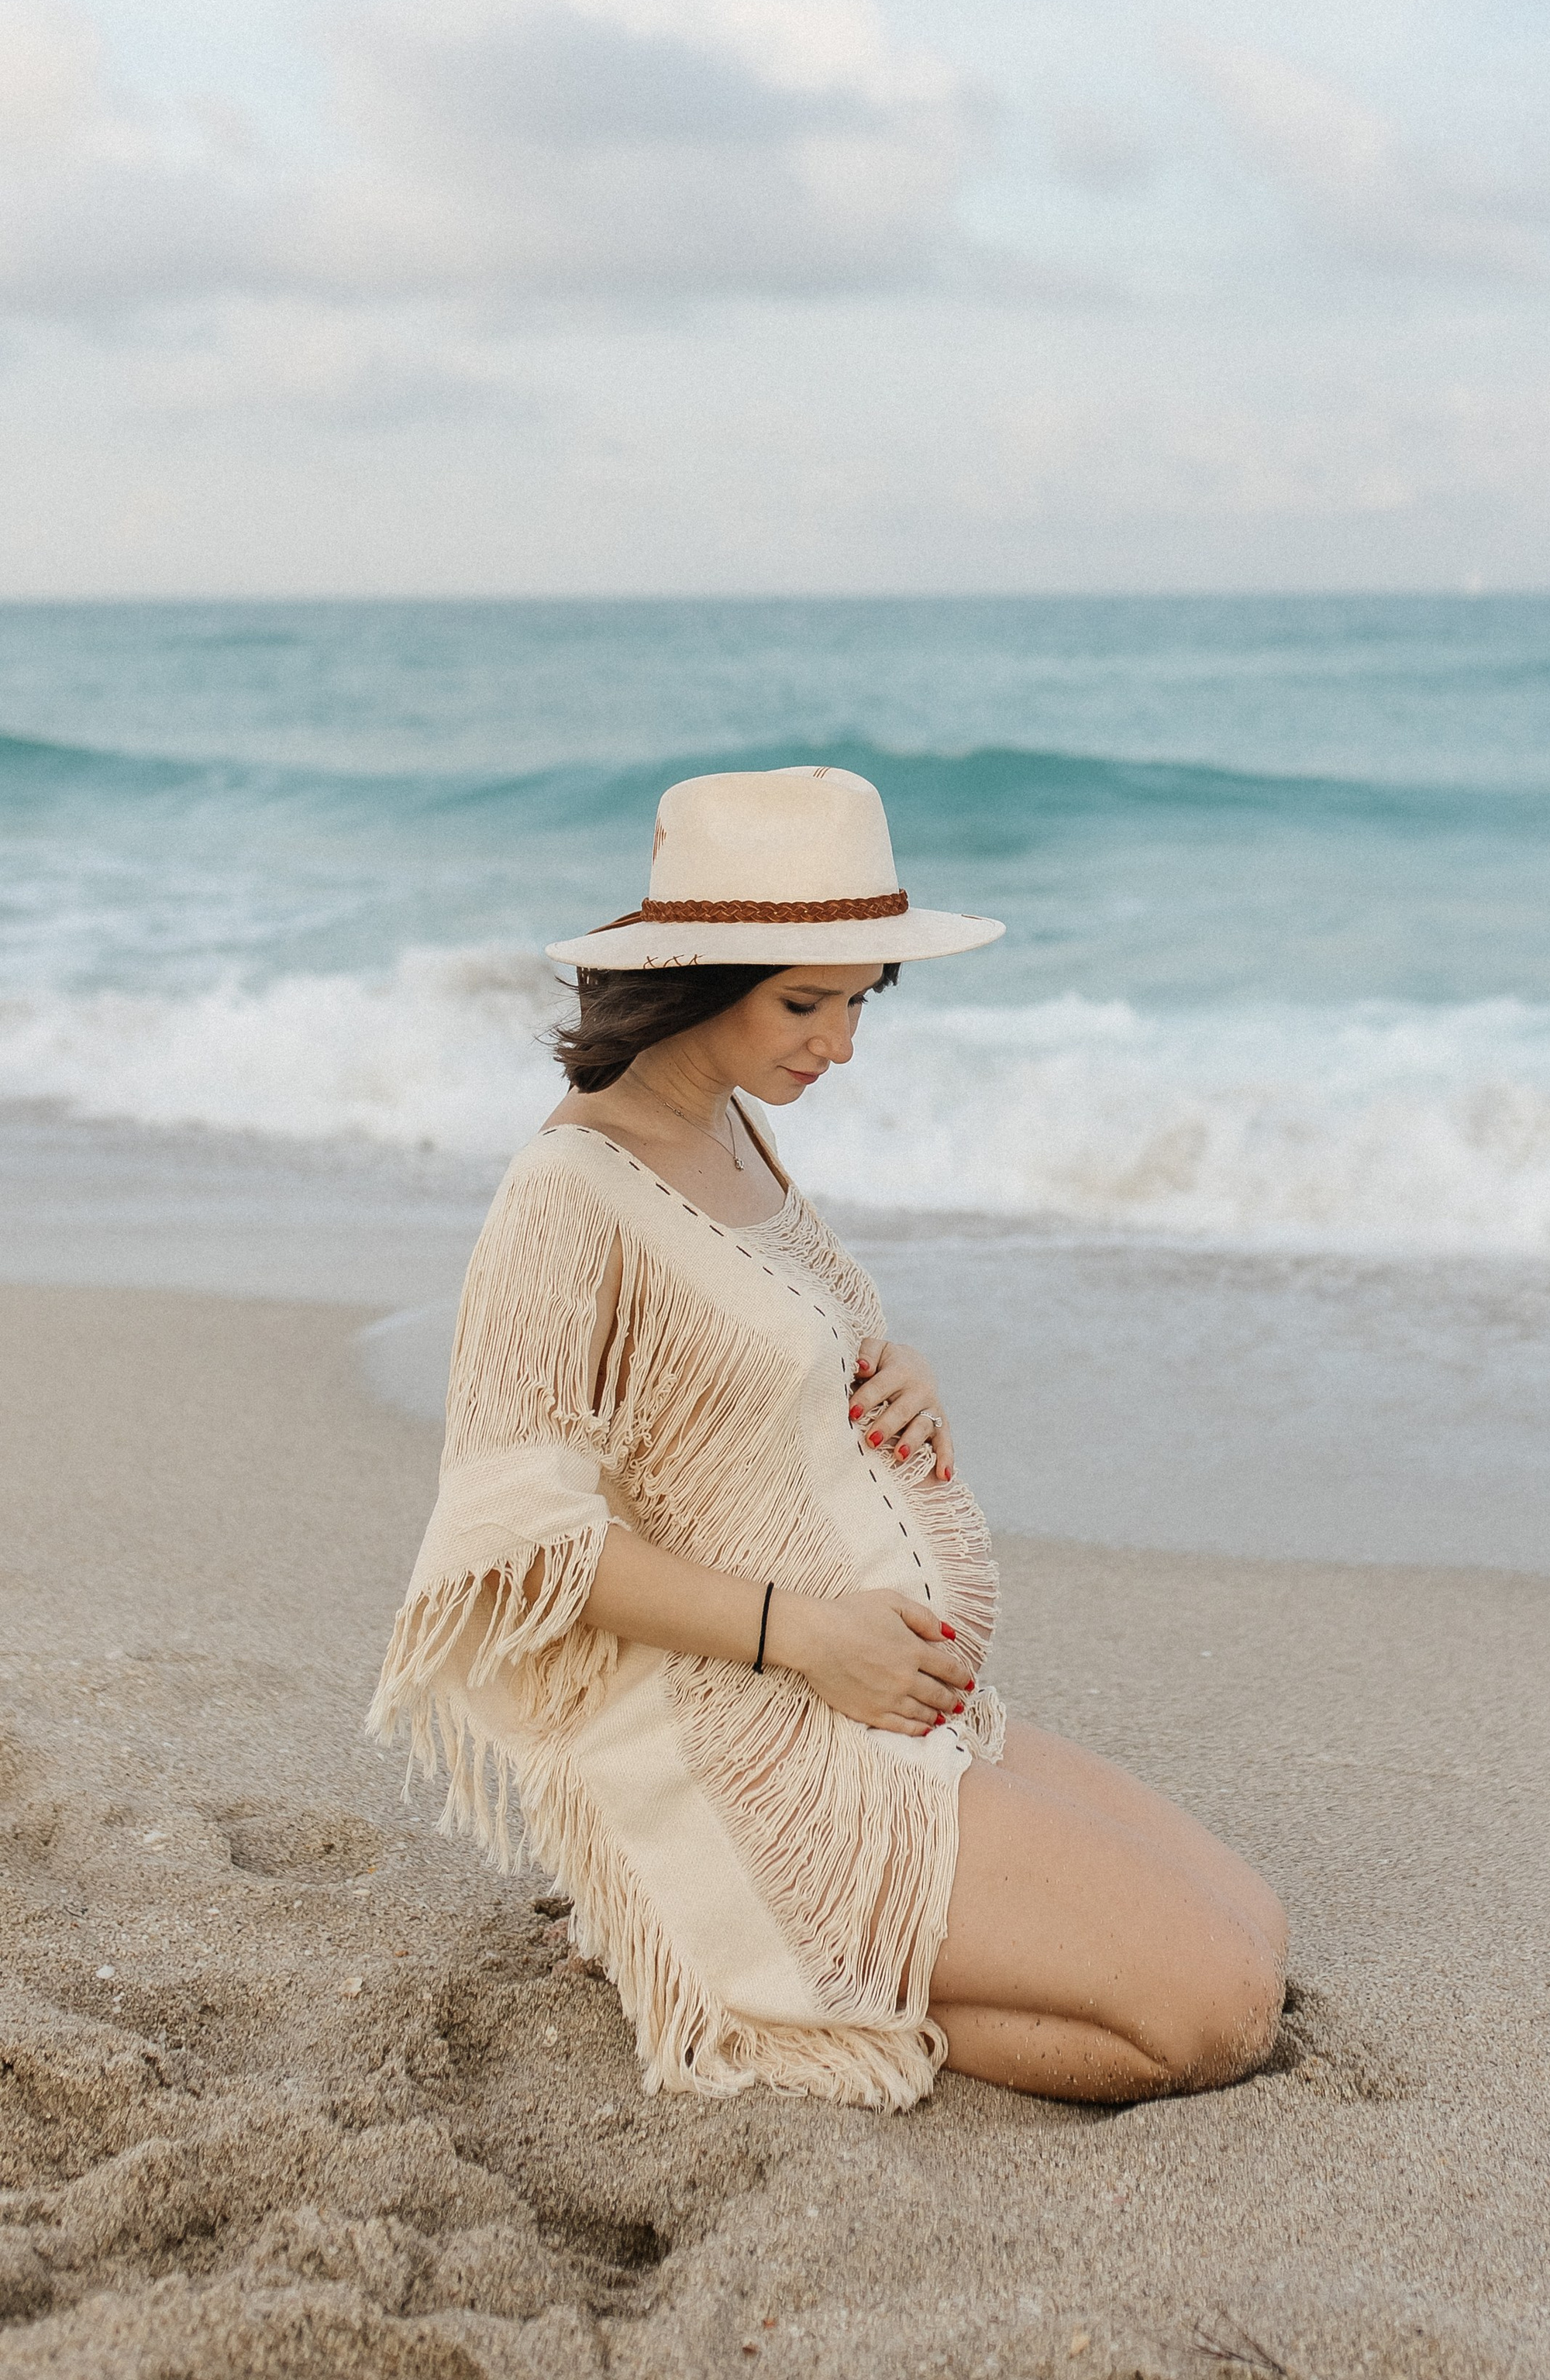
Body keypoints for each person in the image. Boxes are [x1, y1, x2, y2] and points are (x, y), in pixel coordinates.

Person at [371, 764, 1286, 2107]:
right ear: (697, 980)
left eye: (861, 999)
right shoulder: (567, 1192)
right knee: (1210, 2012)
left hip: (894, 1703)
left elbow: (753, 1371)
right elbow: (510, 1540)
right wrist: (805, 1634)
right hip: (764, 1733)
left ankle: (788, 1940)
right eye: (807, 1001)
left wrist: (894, 1372)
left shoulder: (732, 1125)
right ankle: (723, 1934)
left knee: (1255, 1925)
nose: (842, 1043)